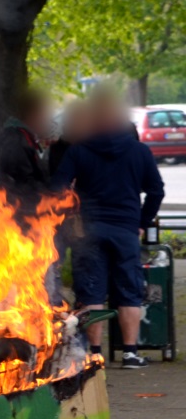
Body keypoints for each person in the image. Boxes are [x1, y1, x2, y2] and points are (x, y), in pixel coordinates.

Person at [51, 90, 165, 367]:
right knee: (129, 291)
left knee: (91, 292)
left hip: (89, 231)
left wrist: (72, 211)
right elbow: (156, 191)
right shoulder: (140, 151)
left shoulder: (79, 150)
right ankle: (129, 353)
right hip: (125, 230)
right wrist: (141, 221)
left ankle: (94, 353)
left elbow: (58, 188)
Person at [0, 90, 52, 221]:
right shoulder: (16, 139)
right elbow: (21, 182)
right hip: (18, 215)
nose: (45, 119)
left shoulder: (22, 136)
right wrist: (50, 192)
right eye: (43, 114)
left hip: (22, 211)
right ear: (32, 114)